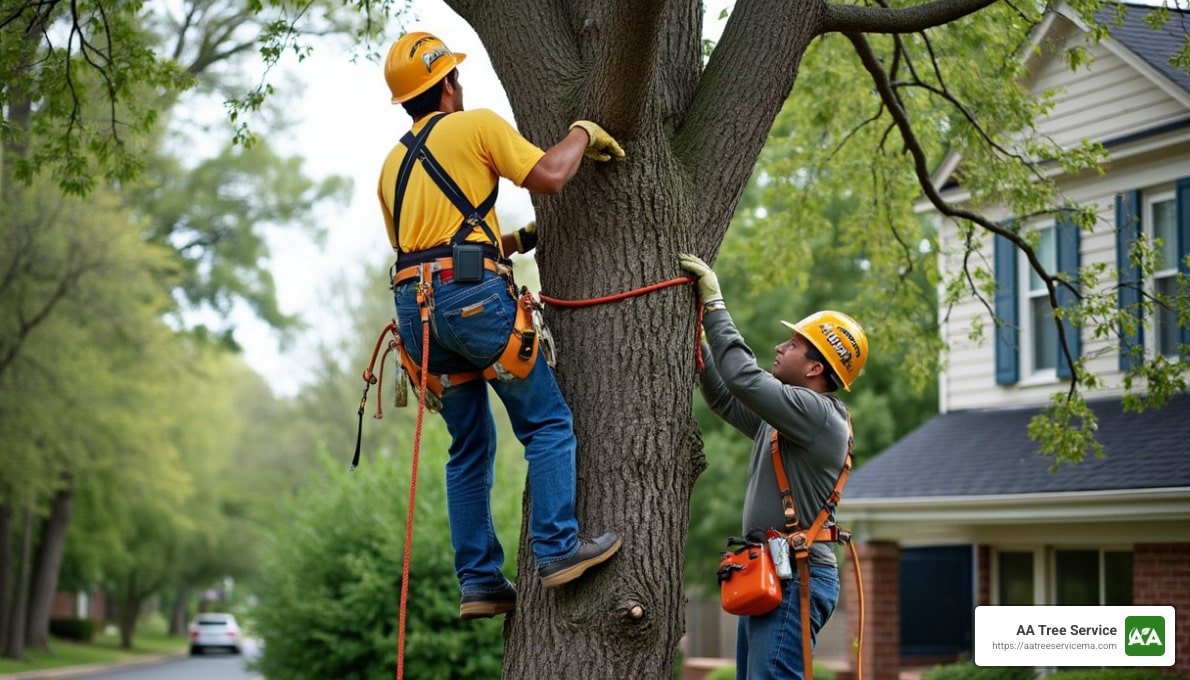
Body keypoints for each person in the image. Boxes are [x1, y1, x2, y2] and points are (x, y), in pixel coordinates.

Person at [377, 32, 625, 620]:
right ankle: (559, 550)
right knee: (545, 422)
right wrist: (583, 131)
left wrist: (512, 242)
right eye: (456, 78)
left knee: (468, 447)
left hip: (418, 317)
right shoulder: (477, 124)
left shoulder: (390, 167)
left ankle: (481, 582)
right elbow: (550, 175)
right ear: (446, 85)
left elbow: (428, 248)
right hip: (472, 305)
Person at [679, 253, 869, 680]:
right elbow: (729, 398)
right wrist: (697, 343)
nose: (780, 347)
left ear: (816, 367)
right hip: (773, 571)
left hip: (795, 576)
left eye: (794, 344)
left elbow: (744, 378)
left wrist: (714, 305)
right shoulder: (789, 419)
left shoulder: (818, 414)